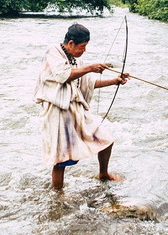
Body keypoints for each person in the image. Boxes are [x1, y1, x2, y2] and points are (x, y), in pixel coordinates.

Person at [33, 22, 128, 190]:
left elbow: (88, 84)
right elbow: (63, 75)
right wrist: (90, 68)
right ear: (70, 44)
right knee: (61, 159)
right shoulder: (53, 51)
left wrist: (114, 81)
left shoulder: (75, 60)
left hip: (75, 110)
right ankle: (58, 195)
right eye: (82, 47)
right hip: (57, 112)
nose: (84, 50)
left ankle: (103, 174)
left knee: (106, 140)